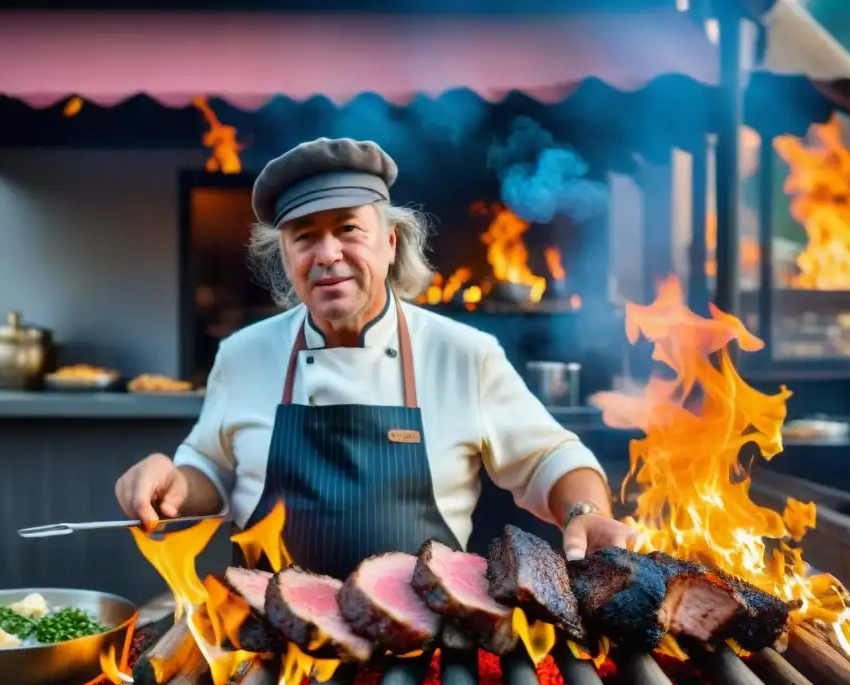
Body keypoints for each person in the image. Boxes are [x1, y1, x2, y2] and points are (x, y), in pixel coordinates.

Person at [116, 137, 633, 577]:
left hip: (424, 650)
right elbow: (212, 468)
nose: (327, 254)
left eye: (348, 229)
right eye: (304, 237)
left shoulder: (463, 354)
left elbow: (549, 457)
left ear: (389, 242)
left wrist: (584, 510)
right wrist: (175, 481)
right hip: (274, 656)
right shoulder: (243, 354)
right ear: (288, 258)